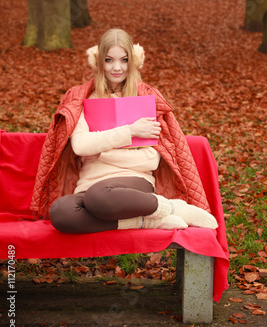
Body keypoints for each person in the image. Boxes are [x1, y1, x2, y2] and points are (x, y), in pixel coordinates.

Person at [30, 28, 218, 233]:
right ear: (99, 61)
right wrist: (130, 131)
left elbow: (150, 160)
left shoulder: (144, 98)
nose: (116, 68)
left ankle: (174, 207)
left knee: (99, 196)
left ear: (133, 61)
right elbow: (80, 146)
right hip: (89, 185)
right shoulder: (81, 99)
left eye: (124, 60)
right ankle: (149, 221)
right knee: (61, 211)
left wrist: (100, 151)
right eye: (109, 60)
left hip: (133, 185)